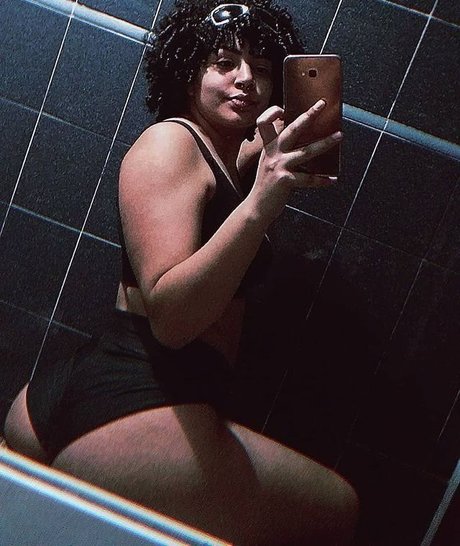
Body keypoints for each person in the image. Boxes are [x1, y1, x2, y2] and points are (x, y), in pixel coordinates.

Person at [4, 2, 358, 544]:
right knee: (337, 509)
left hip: (109, 396)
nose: (246, 79)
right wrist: (262, 200)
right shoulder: (169, 143)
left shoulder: (224, 155)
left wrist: (262, 166)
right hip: (137, 396)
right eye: (225, 63)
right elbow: (171, 321)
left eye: (262, 68)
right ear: (188, 74)